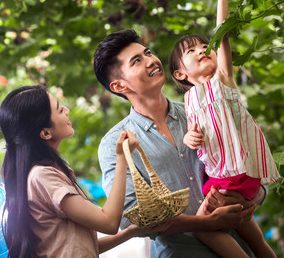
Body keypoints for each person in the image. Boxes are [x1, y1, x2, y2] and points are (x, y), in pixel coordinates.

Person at [95, 29, 266, 258]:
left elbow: (251, 161)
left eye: (147, 53)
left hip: (244, 246)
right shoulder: (115, 145)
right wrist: (205, 223)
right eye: (137, 61)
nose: (151, 61)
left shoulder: (203, 109)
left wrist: (251, 198)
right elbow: (129, 216)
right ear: (119, 86)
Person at [168, 0, 279, 258]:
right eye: (191, 51)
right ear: (180, 73)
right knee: (253, 237)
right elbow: (196, 136)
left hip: (236, 172)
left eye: (206, 46)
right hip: (225, 174)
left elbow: (222, 33)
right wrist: (190, 139)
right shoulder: (191, 100)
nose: (202, 50)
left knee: (204, 226)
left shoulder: (222, 80)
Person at [0, 84, 157, 258]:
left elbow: (81, 246)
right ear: (45, 133)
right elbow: (109, 222)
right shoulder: (42, 176)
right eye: (59, 110)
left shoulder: (46, 172)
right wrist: (122, 158)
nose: (66, 110)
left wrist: (131, 232)